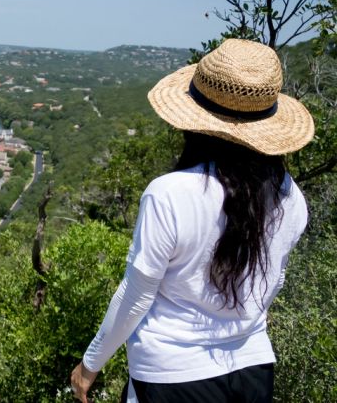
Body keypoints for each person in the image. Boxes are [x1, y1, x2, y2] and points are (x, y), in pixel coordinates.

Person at [69, 39, 315, 403]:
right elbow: (274, 280)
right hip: (253, 367)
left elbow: (136, 296)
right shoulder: (289, 195)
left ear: (194, 122)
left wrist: (90, 365)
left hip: (171, 373)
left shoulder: (170, 193)